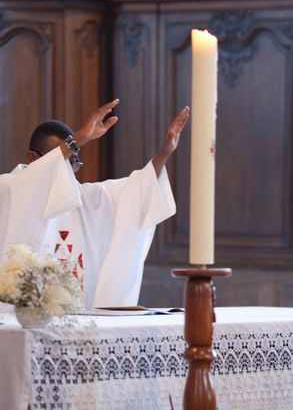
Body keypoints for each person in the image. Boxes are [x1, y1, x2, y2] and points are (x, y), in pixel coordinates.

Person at [0, 99, 190, 308]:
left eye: (74, 161)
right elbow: (31, 184)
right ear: (32, 157)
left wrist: (164, 152)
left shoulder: (82, 198)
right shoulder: (9, 188)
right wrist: (80, 138)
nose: (68, 169)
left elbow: (135, 191)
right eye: (62, 158)